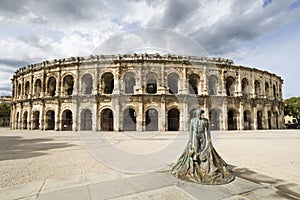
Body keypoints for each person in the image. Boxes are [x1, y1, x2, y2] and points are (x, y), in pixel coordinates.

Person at [171, 109, 235, 185]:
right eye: (198, 113)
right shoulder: (193, 121)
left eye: (200, 113)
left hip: (202, 135)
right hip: (196, 136)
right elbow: (191, 131)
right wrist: (190, 140)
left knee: (203, 149)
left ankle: (201, 164)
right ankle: (195, 164)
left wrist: (209, 139)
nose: (199, 114)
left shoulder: (205, 121)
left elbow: (207, 131)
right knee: (195, 149)